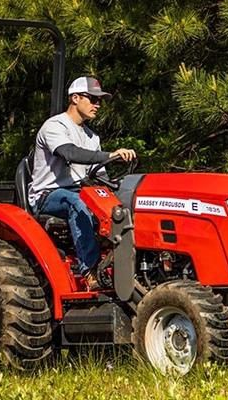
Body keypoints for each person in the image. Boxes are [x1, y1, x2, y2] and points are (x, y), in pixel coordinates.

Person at [28, 76, 136, 290]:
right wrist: (110, 154)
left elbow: (100, 176)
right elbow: (70, 153)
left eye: (100, 100)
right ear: (75, 98)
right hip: (48, 195)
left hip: (80, 191)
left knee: (121, 205)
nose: (98, 105)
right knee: (78, 203)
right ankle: (90, 271)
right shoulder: (55, 126)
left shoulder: (91, 137)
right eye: (93, 99)